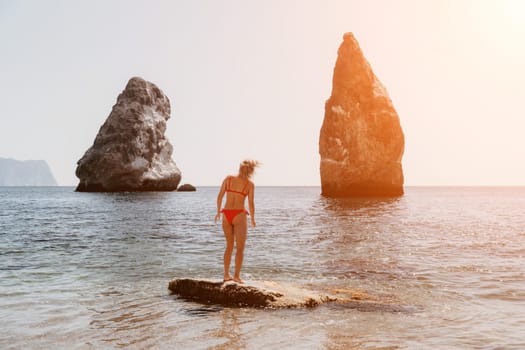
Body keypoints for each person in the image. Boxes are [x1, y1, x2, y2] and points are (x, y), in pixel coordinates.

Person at [214, 160, 259, 283]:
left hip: (226, 214)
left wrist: (218, 212)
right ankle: (236, 276)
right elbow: (251, 204)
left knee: (229, 245)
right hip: (239, 214)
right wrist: (253, 218)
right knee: (240, 248)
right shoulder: (249, 184)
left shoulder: (228, 179)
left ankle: (226, 275)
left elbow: (219, 196)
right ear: (250, 171)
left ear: (240, 168)